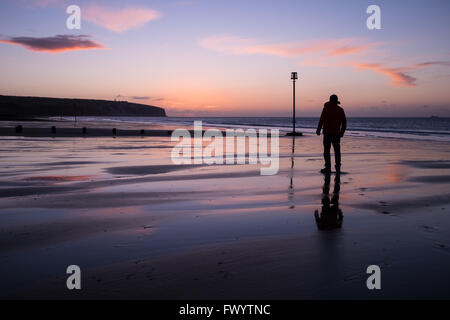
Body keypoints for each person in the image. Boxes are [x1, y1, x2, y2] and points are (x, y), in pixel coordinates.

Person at [316, 94, 347, 174]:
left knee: (327, 151)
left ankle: (328, 167)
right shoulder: (340, 109)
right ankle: (337, 167)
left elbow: (321, 120)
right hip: (336, 134)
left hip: (327, 133)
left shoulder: (326, 109)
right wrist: (342, 132)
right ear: (336, 101)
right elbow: (344, 123)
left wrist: (318, 130)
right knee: (337, 151)